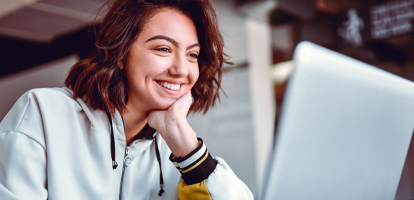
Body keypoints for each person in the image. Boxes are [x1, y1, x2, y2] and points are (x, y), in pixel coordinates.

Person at [0, 0, 253, 199]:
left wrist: (181, 137)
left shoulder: (177, 149)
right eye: (163, 49)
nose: (181, 70)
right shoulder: (42, 114)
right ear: (121, 54)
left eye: (192, 54)